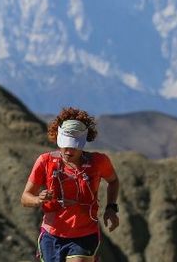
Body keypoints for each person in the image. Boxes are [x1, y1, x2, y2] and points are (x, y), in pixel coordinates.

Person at [21, 107, 120, 262]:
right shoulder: (45, 161)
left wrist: (111, 207)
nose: (68, 150)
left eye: (74, 145)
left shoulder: (99, 162)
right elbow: (25, 198)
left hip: (85, 234)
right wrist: (38, 199)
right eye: (65, 144)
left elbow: (113, 181)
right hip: (51, 235)